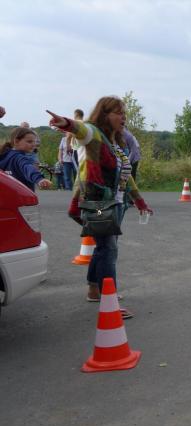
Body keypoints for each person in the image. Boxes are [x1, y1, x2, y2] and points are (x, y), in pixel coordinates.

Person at [48, 97, 153, 319]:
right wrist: (65, 123)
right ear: (105, 115)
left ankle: (94, 290)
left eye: (124, 113)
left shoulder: (115, 143)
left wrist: (139, 201)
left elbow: (126, 175)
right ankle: (109, 301)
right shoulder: (95, 135)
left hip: (114, 204)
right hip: (97, 205)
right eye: (118, 112)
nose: (124, 117)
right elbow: (81, 129)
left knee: (103, 246)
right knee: (109, 249)